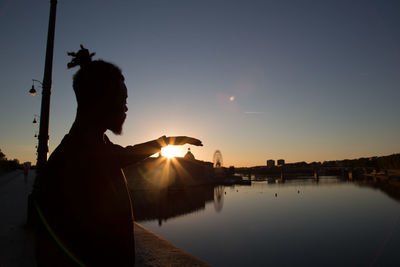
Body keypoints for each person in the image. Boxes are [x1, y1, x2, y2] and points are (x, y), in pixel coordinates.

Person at [34, 45, 202, 266]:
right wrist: (168, 141)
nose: (126, 109)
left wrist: (169, 140)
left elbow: (124, 154)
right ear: (101, 101)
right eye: (122, 101)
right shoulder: (79, 157)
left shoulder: (90, 145)